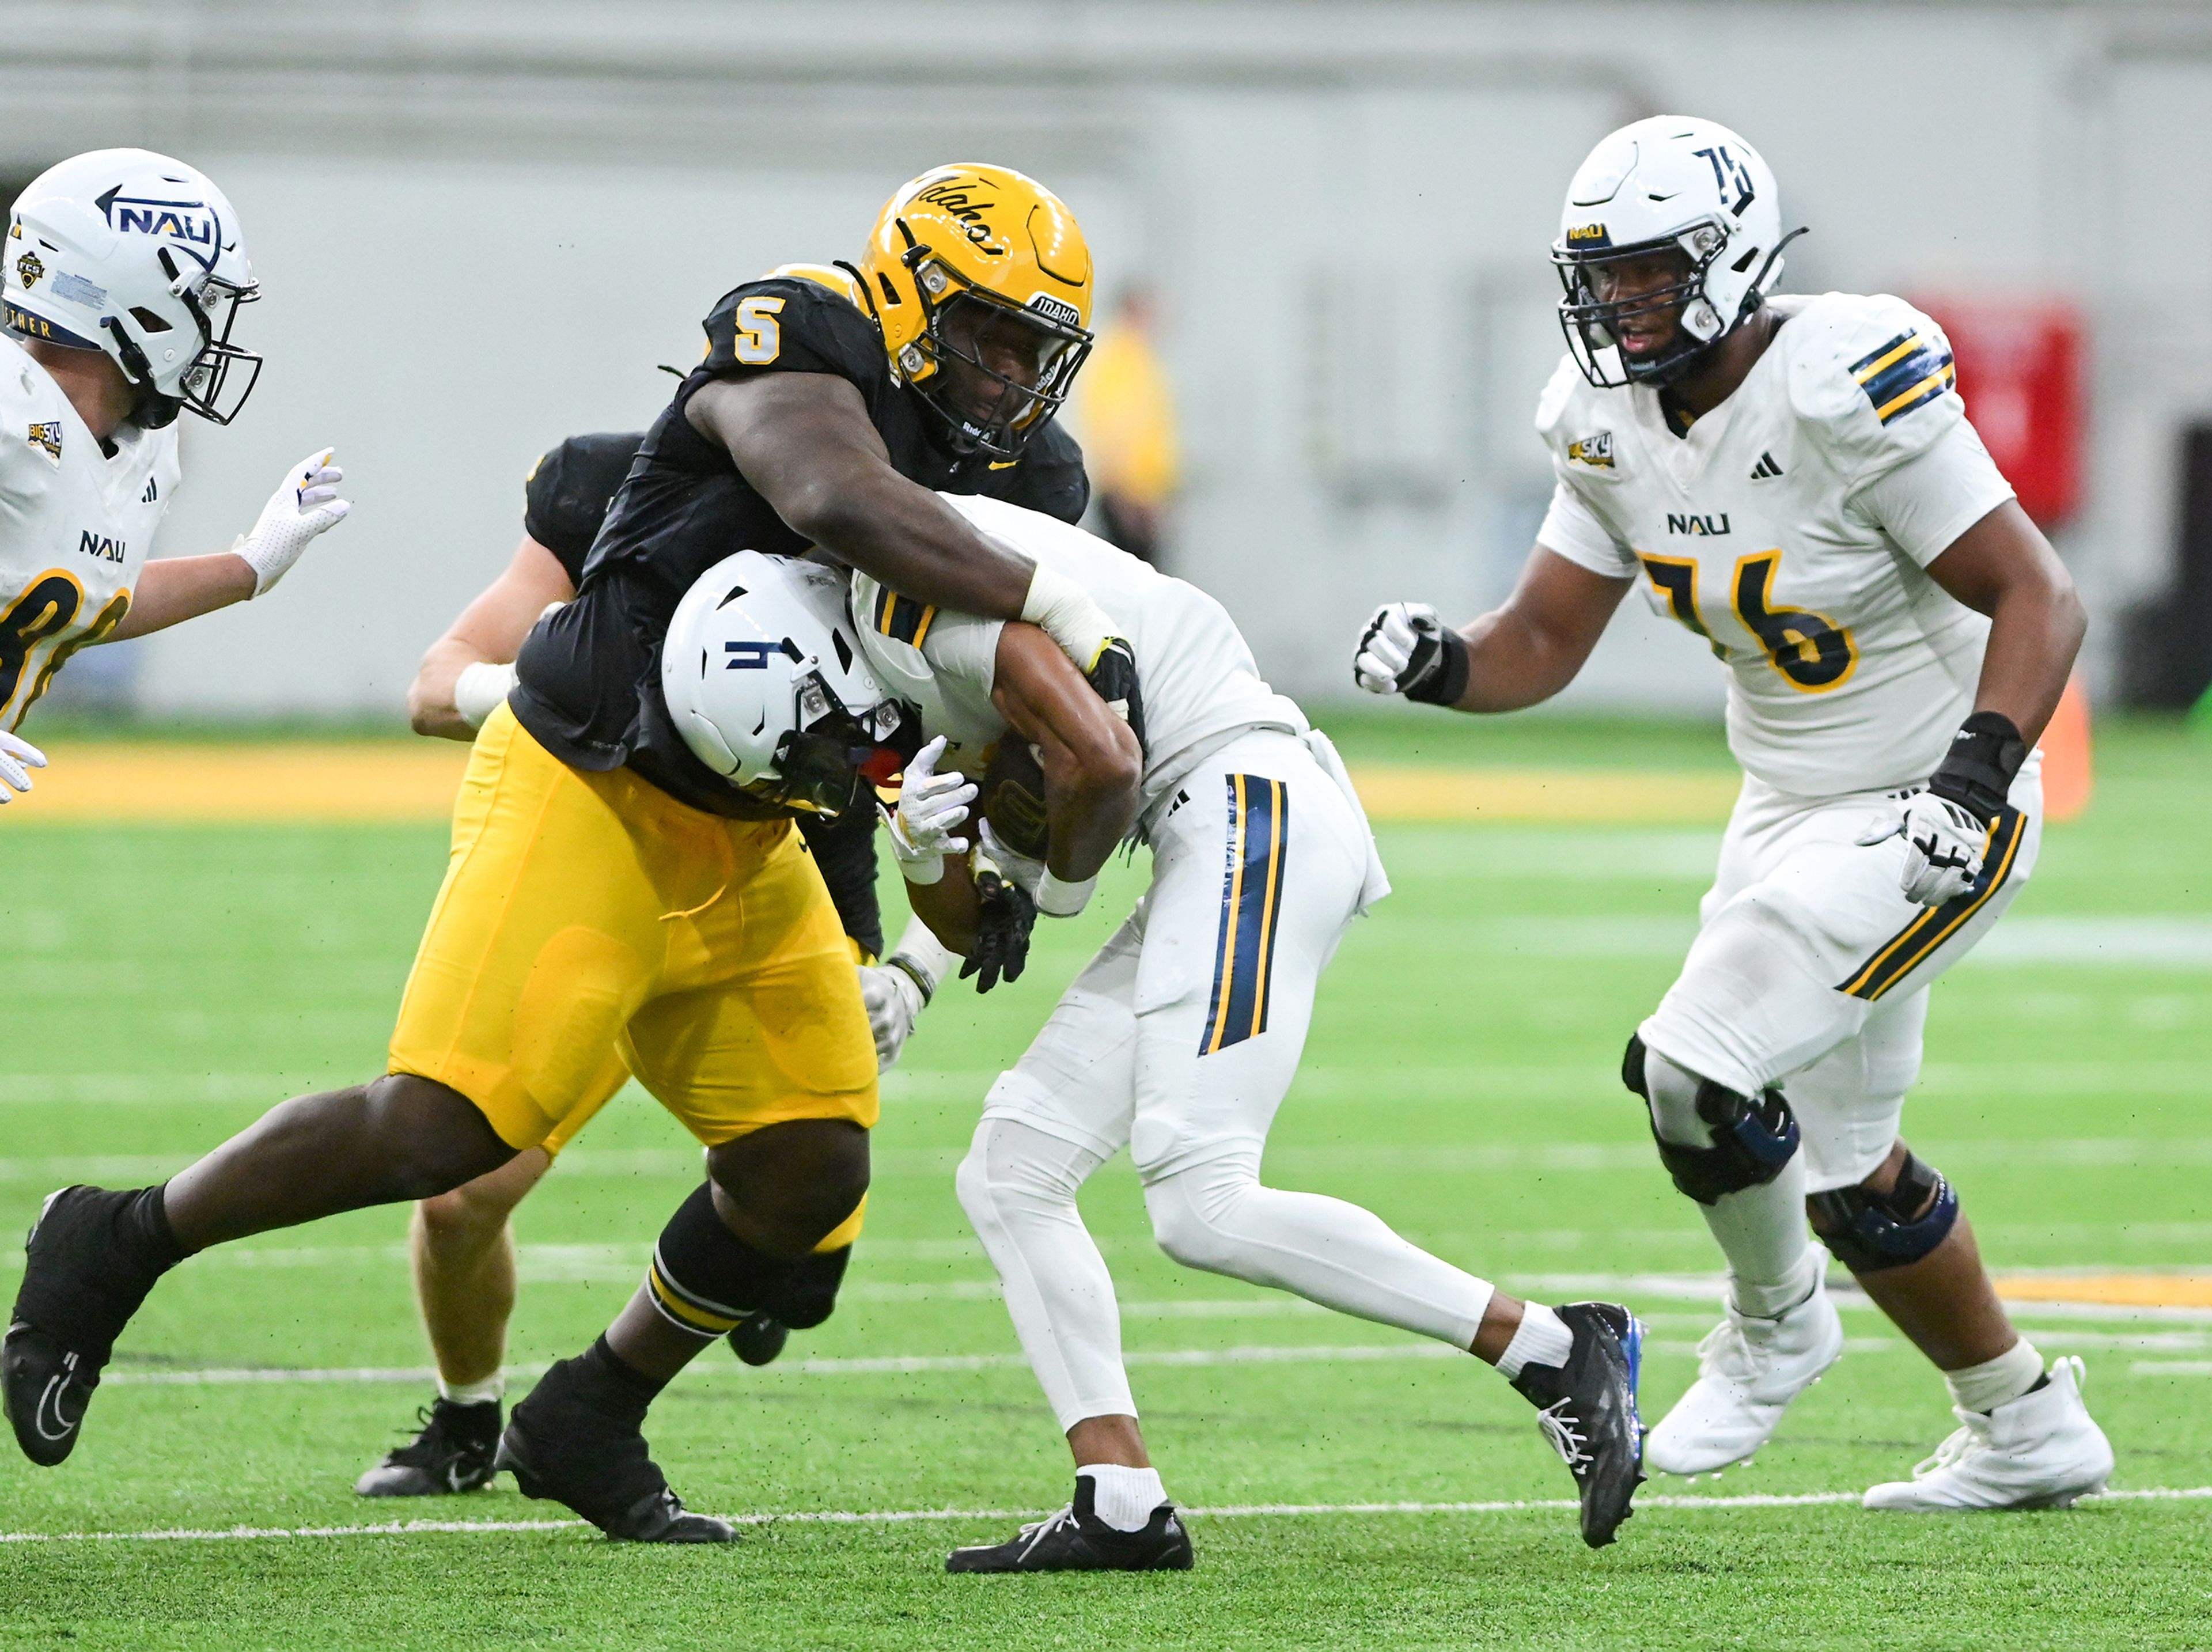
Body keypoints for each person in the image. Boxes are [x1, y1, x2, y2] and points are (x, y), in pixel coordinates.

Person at [5, 164, 1138, 1545]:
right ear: (908, 295)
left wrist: (987, 839)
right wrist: (1051, 592)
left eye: (1036, 346)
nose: (1010, 374)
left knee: (807, 1167)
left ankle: (587, 1411)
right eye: (986, 333)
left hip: (758, 821)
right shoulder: (799, 332)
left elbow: (948, 686)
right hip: (591, 775)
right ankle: (113, 1240)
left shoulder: (1033, 473)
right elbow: (834, 495)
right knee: (440, 1132)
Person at [1354, 117, 2112, 1511]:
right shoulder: (1599, 418)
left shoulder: (1840, 380)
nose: (1621, 303)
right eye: (1603, 277)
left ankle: (1774, 1330)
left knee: (1694, 1070)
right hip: (1783, 804)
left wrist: (1975, 770)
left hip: (1936, 798)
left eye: (1650, 273)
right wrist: (1445, 663)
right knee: (1839, 1169)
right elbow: (1539, 633)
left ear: (1734, 258)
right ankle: (2020, 1419)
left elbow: (2037, 595)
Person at [802, 492, 1646, 1566]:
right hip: (1221, 820)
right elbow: (1002, 866)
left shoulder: (903, 604)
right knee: (1012, 1166)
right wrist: (921, 932)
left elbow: (1097, 770)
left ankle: (1558, 1346)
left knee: (1201, 1196)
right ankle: (1119, 1497)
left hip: (1246, 800)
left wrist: (1039, 898)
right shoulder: (921, 589)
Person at [353, 426, 956, 1499]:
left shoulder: (900, 523)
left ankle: (724, 1289)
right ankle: (468, 1414)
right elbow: (433, 687)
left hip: (799, 882)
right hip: (613, 874)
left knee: (801, 1259)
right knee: (459, 1189)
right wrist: (549, 682)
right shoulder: (613, 492)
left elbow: (991, 784)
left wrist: (909, 965)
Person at [0, 147, 349, 797]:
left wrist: (251, 567)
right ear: (144, 306)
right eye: (204, 302)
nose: (212, 331)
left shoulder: (139, 444)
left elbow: (83, 598)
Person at [1066, 286, 1179, 564]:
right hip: (1129, 497)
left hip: (1144, 495)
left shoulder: (1141, 358)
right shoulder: (1119, 360)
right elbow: (1116, 430)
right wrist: (1128, 496)